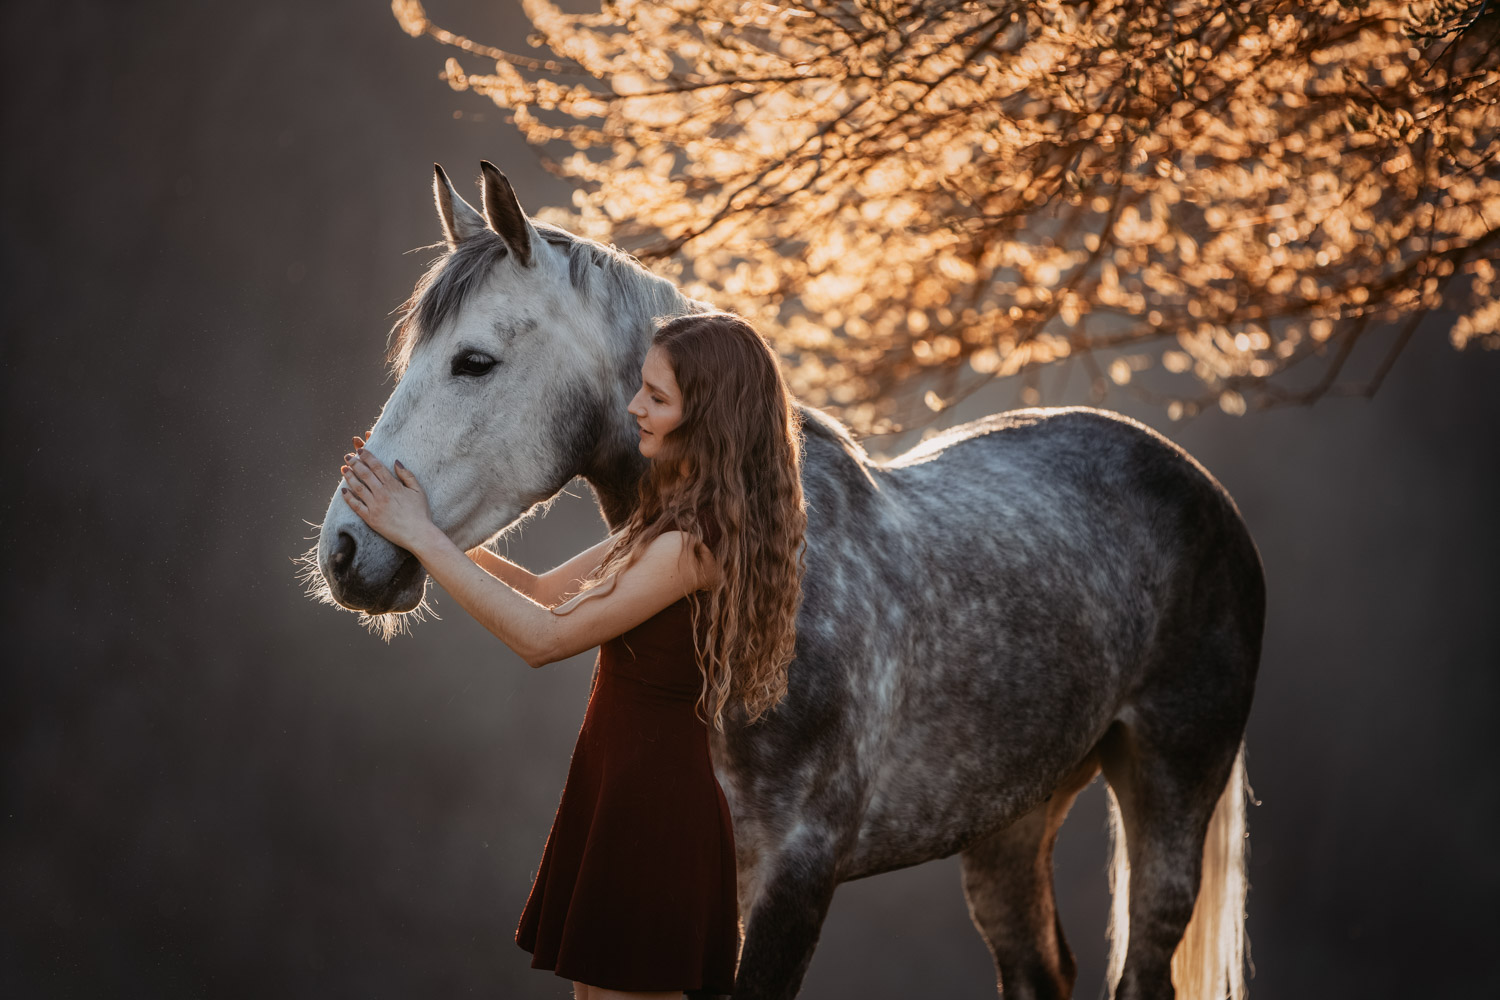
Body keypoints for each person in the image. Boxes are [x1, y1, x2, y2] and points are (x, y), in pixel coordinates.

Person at [338, 311, 808, 1000]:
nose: (634, 407)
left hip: (656, 813)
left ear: (705, 417)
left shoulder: (692, 545)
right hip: (616, 795)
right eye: (641, 388)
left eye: (657, 397)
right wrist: (412, 524)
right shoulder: (663, 519)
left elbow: (545, 637)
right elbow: (539, 590)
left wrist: (424, 538)